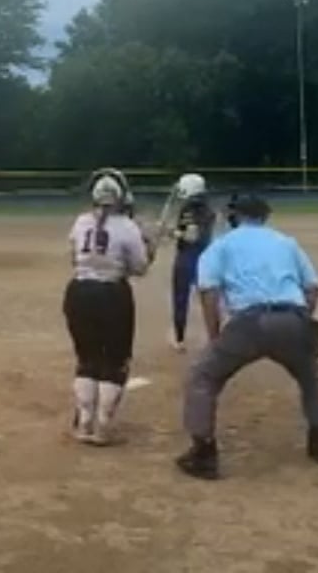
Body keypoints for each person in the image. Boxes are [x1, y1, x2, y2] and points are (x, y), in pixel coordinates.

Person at [176, 193, 318, 481]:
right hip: (292, 316)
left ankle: (203, 453)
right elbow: (312, 288)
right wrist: (302, 319)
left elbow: (209, 292)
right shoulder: (286, 242)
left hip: (248, 322)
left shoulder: (221, 245)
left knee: (204, 377)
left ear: (234, 216)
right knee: (311, 375)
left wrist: (215, 336)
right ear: (264, 216)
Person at [64, 170, 152, 445]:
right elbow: (140, 268)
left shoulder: (81, 221)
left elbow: (74, 258)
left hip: (78, 292)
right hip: (112, 294)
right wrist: (149, 247)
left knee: (87, 358)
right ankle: (102, 426)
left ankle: (84, 422)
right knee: (114, 359)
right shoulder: (127, 226)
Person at [166, 172, 218, 352]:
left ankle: (179, 338)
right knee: (209, 298)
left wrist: (172, 232)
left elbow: (191, 236)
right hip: (206, 256)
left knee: (181, 297)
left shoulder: (189, 208)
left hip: (188, 256)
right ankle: (214, 337)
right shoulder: (207, 207)